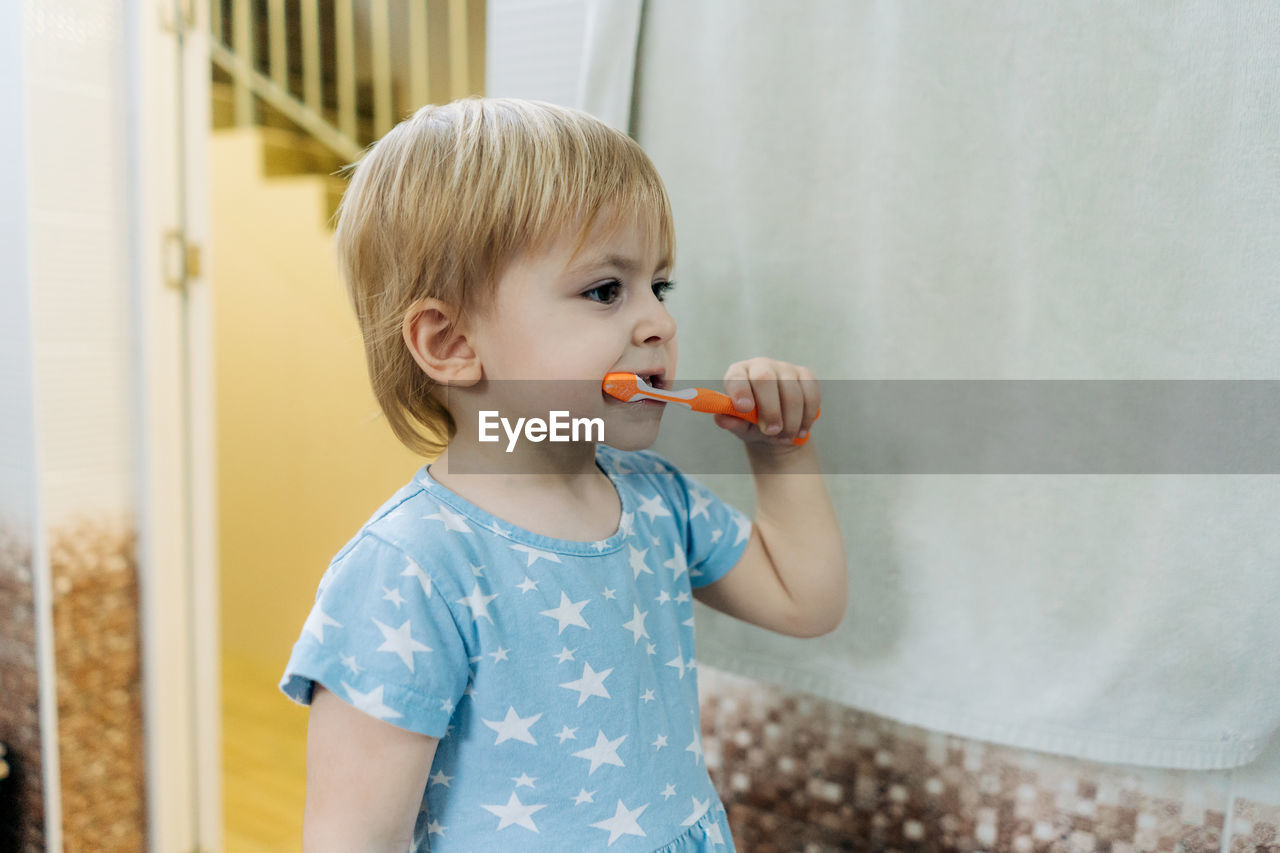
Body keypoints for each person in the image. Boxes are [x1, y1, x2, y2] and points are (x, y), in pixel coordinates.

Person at [278, 97, 847, 852]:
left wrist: (781, 453)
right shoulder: (411, 569)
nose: (658, 322)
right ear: (450, 342)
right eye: (605, 290)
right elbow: (353, 839)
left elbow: (805, 600)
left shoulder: (654, 498)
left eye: (659, 286)